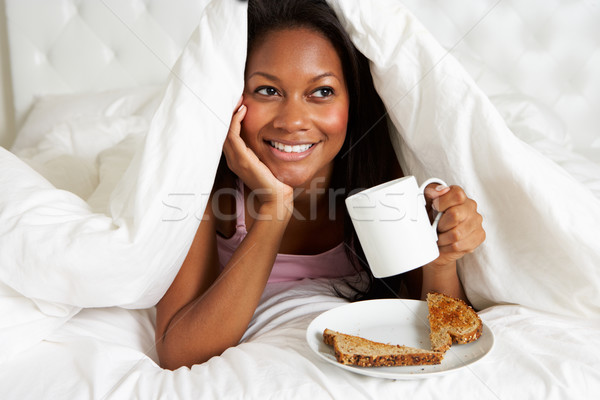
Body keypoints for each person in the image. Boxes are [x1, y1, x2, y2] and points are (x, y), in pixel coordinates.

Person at [155, 0, 485, 370]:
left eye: (322, 92)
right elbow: (178, 352)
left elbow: (442, 332)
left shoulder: (379, 176)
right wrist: (273, 212)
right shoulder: (207, 191)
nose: (293, 120)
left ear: (352, 101)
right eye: (267, 90)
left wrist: (439, 263)